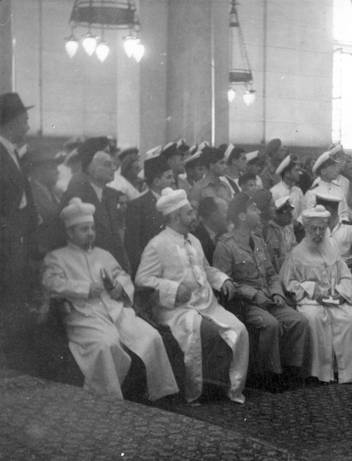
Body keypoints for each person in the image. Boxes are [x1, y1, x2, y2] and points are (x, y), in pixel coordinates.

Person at [42, 198, 179, 401]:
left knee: (151, 336)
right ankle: (109, 398)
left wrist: (119, 288)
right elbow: (51, 282)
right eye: (83, 229)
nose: (90, 233)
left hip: (115, 310)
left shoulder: (103, 254)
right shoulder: (57, 257)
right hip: (83, 314)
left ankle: (160, 392)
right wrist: (84, 288)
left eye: (92, 228)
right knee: (107, 345)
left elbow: (121, 275)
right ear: (70, 233)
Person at [135, 188, 249, 404]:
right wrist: (172, 288)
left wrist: (223, 279)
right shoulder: (157, 244)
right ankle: (196, 390)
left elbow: (206, 270)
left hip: (206, 304)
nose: (194, 216)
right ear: (176, 216)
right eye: (189, 213)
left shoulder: (194, 241)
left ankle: (231, 387)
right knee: (202, 332)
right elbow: (142, 279)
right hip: (177, 309)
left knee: (239, 330)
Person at [213, 193, 310, 388]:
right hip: (245, 304)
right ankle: (267, 375)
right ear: (241, 216)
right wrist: (253, 295)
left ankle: (291, 370)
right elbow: (224, 283)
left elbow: (272, 273)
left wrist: (276, 293)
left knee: (299, 321)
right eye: (253, 209)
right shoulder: (225, 246)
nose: (259, 212)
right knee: (270, 325)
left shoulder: (258, 241)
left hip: (268, 298)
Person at [280, 205, 352, 383]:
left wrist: (342, 293)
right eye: (314, 229)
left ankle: (346, 373)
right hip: (311, 300)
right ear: (306, 229)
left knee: (350, 318)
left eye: (322, 228)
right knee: (315, 318)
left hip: (335, 297)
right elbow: (289, 283)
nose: (318, 233)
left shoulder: (332, 248)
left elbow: (346, 275)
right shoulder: (296, 254)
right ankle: (319, 373)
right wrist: (311, 289)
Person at [61, 137, 129, 272]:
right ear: (91, 166)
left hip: (112, 266)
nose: (114, 168)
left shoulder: (107, 193)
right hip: (89, 267)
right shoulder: (78, 189)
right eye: (107, 163)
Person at [0, 92, 38, 302]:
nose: (28, 126)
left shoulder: (11, 153)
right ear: (12, 121)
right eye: (25, 120)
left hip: (17, 251)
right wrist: (12, 239)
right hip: (6, 251)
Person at [124, 153, 174, 274]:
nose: (173, 181)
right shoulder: (138, 205)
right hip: (152, 270)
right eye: (169, 177)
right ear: (157, 181)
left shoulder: (175, 202)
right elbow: (133, 247)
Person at [316, 193, 352, 275]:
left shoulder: (349, 227)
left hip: (343, 273)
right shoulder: (316, 228)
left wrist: (347, 264)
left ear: (330, 209)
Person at [304, 145, 350, 218]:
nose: (337, 169)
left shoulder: (338, 189)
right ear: (323, 171)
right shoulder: (313, 192)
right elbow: (308, 216)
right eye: (333, 167)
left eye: (336, 166)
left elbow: (344, 213)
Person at [264, 196, 298, 273]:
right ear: (278, 215)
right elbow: (276, 260)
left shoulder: (288, 228)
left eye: (291, 212)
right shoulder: (272, 231)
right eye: (288, 213)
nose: (291, 216)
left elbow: (294, 246)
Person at [192, 196, 227, 266]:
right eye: (225, 212)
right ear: (214, 216)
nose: (229, 216)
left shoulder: (227, 233)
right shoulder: (195, 240)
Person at [270, 155, 304, 222]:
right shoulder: (274, 192)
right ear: (287, 173)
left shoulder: (298, 190)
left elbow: (302, 212)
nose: (299, 173)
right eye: (296, 170)